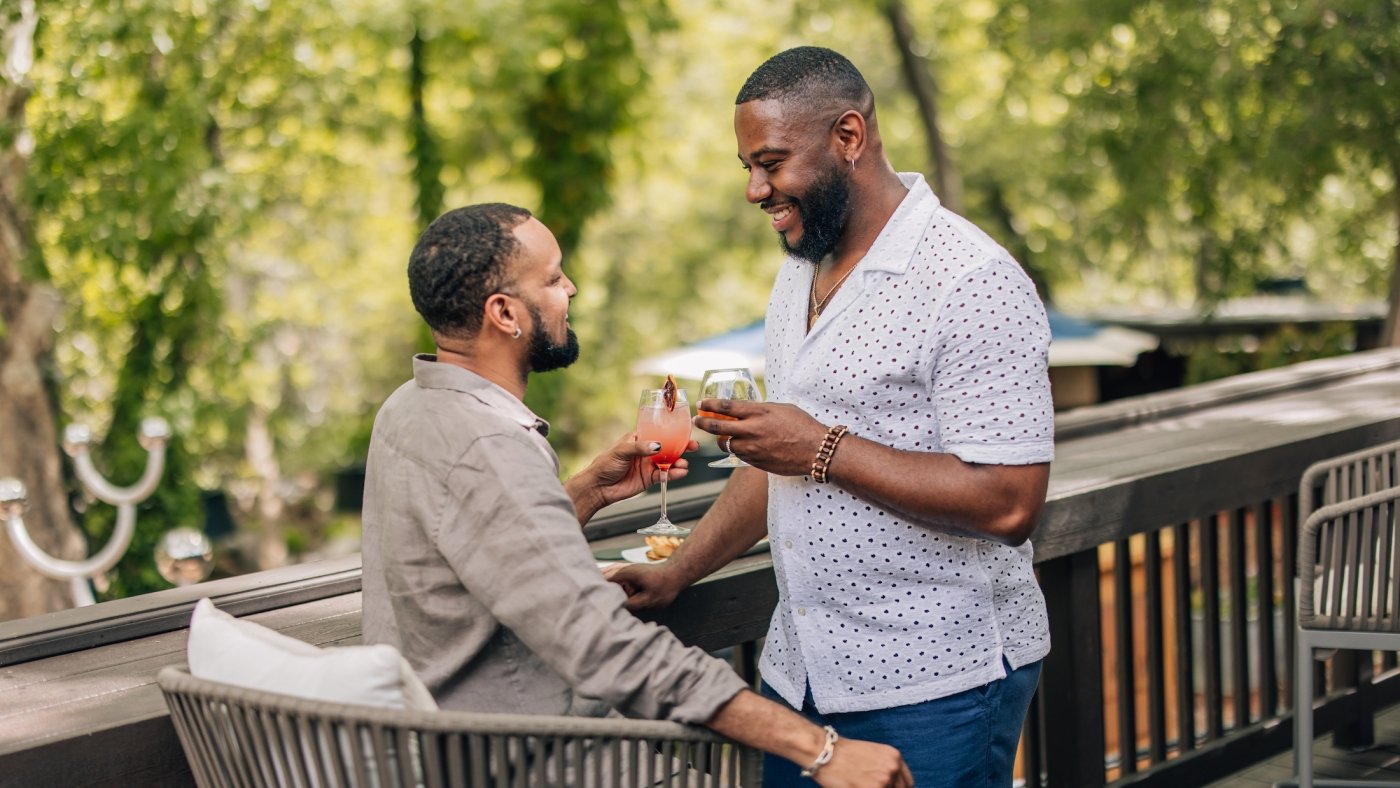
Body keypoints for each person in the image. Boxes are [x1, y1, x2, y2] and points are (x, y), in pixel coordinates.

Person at [606, 47, 1055, 788]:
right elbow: (783, 466)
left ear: (848, 137)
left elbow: (1010, 502)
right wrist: (679, 571)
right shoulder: (798, 273)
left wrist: (821, 446)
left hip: (936, 682)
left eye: (772, 162)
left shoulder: (972, 280)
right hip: (802, 681)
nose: (755, 188)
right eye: (747, 166)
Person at [360, 202, 912, 787]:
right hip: (533, 760)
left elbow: (488, 545)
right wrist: (819, 748)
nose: (569, 288)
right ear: (504, 313)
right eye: (552, 278)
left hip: (438, 753)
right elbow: (606, 645)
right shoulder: (489, 446)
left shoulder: (410, 410)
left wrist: (589, 491)